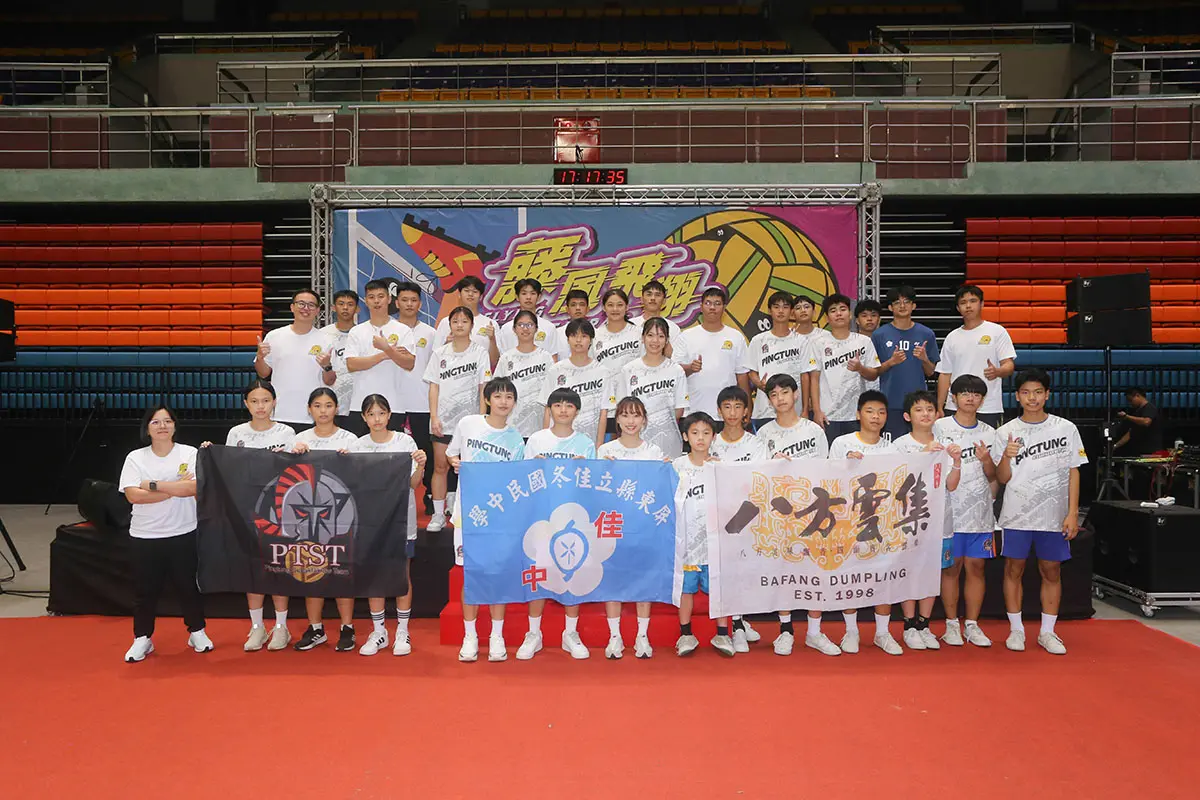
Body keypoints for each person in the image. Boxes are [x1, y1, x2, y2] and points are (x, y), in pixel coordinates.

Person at [996, 368, 1086, 656]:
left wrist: (1072, 513)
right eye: (1025, 392)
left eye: (1037, 392)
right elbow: (1001, 478)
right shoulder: (1005, 432)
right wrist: (1006, 456)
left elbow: (1074, 472)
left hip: (1053, 515)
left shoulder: (1066, 428)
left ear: (1047, 395)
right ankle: (1016, 630)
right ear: (1017, 396)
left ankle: (1047, 632)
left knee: (1051, 570)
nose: (1032, 398)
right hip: (1016, 514)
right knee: (1014, 569)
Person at [755, 374, 840, 658]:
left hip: (812, 511)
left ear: (795, 395)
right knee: (784, 571)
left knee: (815, 570)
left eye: (784, 392)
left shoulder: (813, 430)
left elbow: (826, 471)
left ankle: (815, 632)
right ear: (769, 400)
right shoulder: (763, 434)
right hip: (780, 514)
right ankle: (786, 630)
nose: (780, 399)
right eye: (774, 395)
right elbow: (758, 477)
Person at [119, 405, 210, 663]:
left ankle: (197, 631)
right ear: (147, 428)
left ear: (174, 425)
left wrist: (153, 485)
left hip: (183, 532)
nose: (162, 426)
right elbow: (133, 495)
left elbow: (193, 488)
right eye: (156, 422)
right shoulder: (135, 458)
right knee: (145, 591)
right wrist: (174, 489)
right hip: (144, 535)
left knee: (188, 587)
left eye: (167, 421)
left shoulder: (189, 453)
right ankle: (142, 638)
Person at [447, 377, 527, 663]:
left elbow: (518, 478)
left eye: (509, 397)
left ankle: (496, 636)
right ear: (487, 399)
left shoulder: (516, 438)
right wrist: (456, 463)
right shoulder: (468, 424)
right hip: (468, 514)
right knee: (471, 574)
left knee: (497, 574)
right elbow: (451, 454)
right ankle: (470, 637)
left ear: (514, 403)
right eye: (498, 396)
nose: (503, 402)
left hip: (500, 517)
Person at [518, 388, 597, 661]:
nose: (563, 410)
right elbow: (523, 480)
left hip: (573, 517)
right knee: (538, 573)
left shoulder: (585, 443)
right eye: (558, 405)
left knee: (572, 574)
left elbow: (592, 486)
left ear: (577, 411)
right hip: (541, 518)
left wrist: (585, 469)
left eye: (569, 406)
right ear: (549, 409)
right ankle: (533, 633)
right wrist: (534, 467)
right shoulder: (537, 440)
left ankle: (570, 633)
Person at [217, 379, 295, 653]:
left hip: (278, 511)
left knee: (278, 566)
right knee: (253, 567)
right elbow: (227, 469)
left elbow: (294, 471)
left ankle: (281, 626)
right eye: (254, 401)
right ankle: (257, 626)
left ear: (274, 402)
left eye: (265, 400)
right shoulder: (236, 433)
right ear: (246, 404)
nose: (260, 406)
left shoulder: (287, 432)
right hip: (246, 509)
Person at [347, 394, 426, 657]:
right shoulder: (357, 446)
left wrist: (421, 466)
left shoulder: (405, 442)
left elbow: (413, 484)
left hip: (401, 519)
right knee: (375, 575)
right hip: (370, 522)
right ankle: (379, 631)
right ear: (364, 417)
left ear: (390, 415)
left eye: (381, 413)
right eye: (371, 414)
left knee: (402, 574)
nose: (377, 419)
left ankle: (402, 630)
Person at [828, 390, 903, 656]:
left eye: (881, 412)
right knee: (850, 576)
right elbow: (828, 480)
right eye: (870, 411)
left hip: (882, 523)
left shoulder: (892, 448)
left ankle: (882, 632)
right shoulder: (842, 443)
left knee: (883, 577)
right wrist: (846, 466)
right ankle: (851, 631)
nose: (876, 417)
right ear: (858, 414)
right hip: (849, 522)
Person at [932, 375, 1001, 648]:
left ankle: (972, 624)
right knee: (951, 568)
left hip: (979, 513)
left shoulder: (990, 432)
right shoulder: (939, 427)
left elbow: (995, 476)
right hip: (948, 511)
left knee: (976, 567)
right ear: (954, 397)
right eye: (965, 393)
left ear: (982, 400)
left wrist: (986, 460)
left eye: (976, 394)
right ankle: (951, 625)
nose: (970, 398)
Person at [289, 388, 360, 652]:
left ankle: (347, 627)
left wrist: (350, 462)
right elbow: (287, 475)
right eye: (317, 406)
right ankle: (316, 628)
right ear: (309, 409)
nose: (323, 411)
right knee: (311, 571)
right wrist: (294, 455)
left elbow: (363, 475)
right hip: (307, 520)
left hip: (341, 517)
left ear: (337, 408)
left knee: (341, 572)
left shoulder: (350, 439)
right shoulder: (299, 439)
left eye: (328, 405)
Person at [891, 390, 962, 652]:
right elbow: (897, 482)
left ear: (937, 414)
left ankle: (924, 624)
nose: (925, 414)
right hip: (909, 522)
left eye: (930, 409)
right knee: (910, 571)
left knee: (933, 572)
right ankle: (909, 624)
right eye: (919, 410)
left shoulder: (945, 444)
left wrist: (956, 462)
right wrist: (923, 454)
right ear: (908, 416)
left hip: (940, 521)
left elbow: (951, 485)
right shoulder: (899, 445)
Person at [597, 395, 664, 659]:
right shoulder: (605, 451)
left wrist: (666, 470)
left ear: (644, 420)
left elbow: (660, 489)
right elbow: (596, 490)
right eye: (625, 415)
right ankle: (614, 636)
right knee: (613, 580)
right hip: (613, 524)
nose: (630, 421)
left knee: (643, 580)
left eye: (636, 415)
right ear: (617, 419)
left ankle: (642, 636)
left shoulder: (654, 452)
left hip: (643, 526)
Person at [424, 306, 492, 533]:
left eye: (464, 321)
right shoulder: (439, 353)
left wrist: (482, 419)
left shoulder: (480, 352)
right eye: (455, 321)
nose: (459, 325)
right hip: (443, 421)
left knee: (470, 468)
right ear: (449, 325)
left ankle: (470, 513)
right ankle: (438, 514)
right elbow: (434, 387)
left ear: (472, 325)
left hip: (470, 422)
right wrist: (434, 416)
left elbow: (483, 387)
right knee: (440, 466)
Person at [673, 412, 735, 657]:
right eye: (695, 433)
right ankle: (685, 634)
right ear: (685, 436)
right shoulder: (676, 466)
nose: (700, 438)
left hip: (714, 543)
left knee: (718, 589)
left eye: (706, 433)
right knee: (686, 590)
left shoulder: (720, 467)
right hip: (686, 543)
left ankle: (722, 634)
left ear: (714, 437)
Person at [603, 317, 689, 458]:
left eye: (660, 336)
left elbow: (679, 410)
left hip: (668, 442)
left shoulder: (676, 370)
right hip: (635, 442)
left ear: (667, 340)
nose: (655, 341)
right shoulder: (629, 370)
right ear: (643, 338)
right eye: (650, 335)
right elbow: (622, 408)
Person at [254, 288, 336, 430]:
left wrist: (326, 366)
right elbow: (263, 373)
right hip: (279, 413)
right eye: (301, 304)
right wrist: (260, 357)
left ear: (317, 310)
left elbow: (330, 381)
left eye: (311, 305)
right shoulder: (275, 336)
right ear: (292, 307)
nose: (306, 308)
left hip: (313, 415)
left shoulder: (326, 340)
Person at [937, 285, 1016, 428]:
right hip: (955, 405)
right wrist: (939, 406)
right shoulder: (952, 337)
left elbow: (1009, 365)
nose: (968, 306)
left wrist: (998, 371)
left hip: (988, 406)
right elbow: (945, 374)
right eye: (963, 302)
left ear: (982, 304)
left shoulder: (997, 331)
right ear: (958, 308)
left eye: (973, 301)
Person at [345, 279, 416, 436]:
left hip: (393, 405)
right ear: (366, 301)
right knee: (360, 450)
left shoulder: (403, 330)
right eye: (371, 297)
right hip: (360, 405)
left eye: (381, 296)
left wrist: (386, 348)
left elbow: (409, 363)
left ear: (389, 299)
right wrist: (385, 354)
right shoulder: (357, 331)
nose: (376, 301)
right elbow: (352, 364)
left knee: (393, 450)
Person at [873, 286, 940, 442]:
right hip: (890, 401)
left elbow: (931, 372)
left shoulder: (926, 333)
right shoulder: (879, 335)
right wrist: (891, 362)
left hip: (919, 404)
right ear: (890, 308)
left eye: (906, 302)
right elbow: (874, 372)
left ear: (913, 306)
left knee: (919, 448)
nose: (902, 306)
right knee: (891, 448)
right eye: (897, 302)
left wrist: (924, 359)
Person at [394, 281, 438, 513]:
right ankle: (394, 497)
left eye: (413, 300)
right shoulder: (388, 330)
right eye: (404, 300)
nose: (409, 304)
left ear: (420, 304)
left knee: (425, 452)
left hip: (422, 402)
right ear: (396, 302)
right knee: (396, 452)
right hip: (393, 403)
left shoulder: (430, 333)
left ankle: (430, 496)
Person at [811, 294, 881, 440]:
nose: (838, 313)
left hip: (857, 414)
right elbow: (814, 379)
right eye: (833, 310)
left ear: (849, 314)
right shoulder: (818, 343)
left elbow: (874, 374)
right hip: (828, 415)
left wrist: (860, 368)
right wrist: (817, 411)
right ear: (827, 318)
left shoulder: (864, 341)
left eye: (842, 309)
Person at [676, 287, 751, 417]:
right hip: (694, 411)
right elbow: (675, 372)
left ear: (724, 307)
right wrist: (690, 368)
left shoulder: (736, 337)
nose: (712, 307)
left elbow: (742, 376)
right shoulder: (686, 336)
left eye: (717, 304)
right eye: (708, 303)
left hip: (728, 413)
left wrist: (748, 407)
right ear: (701, 307)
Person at [747, 291, 816, 429]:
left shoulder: (801, 341)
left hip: (794, 409)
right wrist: (759, 384)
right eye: (776, 307)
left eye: (785, 307)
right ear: (769, 310)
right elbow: (751, 371)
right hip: (765, 410)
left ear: (791, 311)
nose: (780, 311)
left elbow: (805, 375)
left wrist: (804, 409)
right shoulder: (758, 340)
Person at [541, 318, 610, 446]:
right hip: (557, 443)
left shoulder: (602, 371)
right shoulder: (556, 370)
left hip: (588, 442)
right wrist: (544, 443)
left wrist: (598, 446)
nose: (578, 340)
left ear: (591, 340)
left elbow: (603, 412)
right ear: (568, 340)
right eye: (574, 336)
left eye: (583, 336)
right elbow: (547, 409)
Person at [494, 310, 556, 440]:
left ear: (536, 329)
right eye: (521, 325)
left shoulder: (545, 357)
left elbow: (552, 392)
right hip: (511, 426)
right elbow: (496, 391)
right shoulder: (506, 358)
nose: (525, 328)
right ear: (514, 329)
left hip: (539, 426)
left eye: (529, 325)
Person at [435, 276, 500, 367]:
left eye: (475, 292)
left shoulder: (491, 324)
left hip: (480, 374)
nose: (470, 294)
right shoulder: (446, 322)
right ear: (459, 294)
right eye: (466, 290)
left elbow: (494, 361)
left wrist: (492, 339)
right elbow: (435, 358)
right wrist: (447, 344)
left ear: (481, 297)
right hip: (452, 373)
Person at [496, 278, 563, 359]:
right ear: (517, 297)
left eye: (533, 293)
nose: (528, 297)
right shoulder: (507, 328)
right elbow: (503, 359)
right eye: (524, 293)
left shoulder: (549, 327)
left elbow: (553, 358)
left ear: (539, 297)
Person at [321, 289, 360, 427]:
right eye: (341, 304)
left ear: (357, 309)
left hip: (358, 403)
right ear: (333, 307)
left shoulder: (363, 334)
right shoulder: (322, 334)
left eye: (350, 304)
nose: (345, 308)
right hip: (330, 402)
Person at [593, 287, 643, 378]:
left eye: (620, 305)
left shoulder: (639, 333)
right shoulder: (595, 336)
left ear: (627, 307)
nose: (615, 309)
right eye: (610, 305)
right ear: (604, 308)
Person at [628, 278, 682, 353]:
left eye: (657, 295)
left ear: (664, 301)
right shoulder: (630, 325)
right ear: (642, 299)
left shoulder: (673, 328)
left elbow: (676, 356)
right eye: (649, 294)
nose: (653, 298)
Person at [1114, 387, 1164, 455]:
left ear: (1137, 395)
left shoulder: (1149, 407)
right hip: (1140, 451)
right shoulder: (1137, 412)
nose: (1130, 403)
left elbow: (1146, 422)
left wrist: (1126, 416)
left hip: (1151, 451)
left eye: (1131, 400)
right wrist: (1115, 446)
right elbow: (1130, 433)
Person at [557, 289, 595, 359]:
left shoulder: (597, 333)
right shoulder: (557, 334)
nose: (578, 308)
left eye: (582, 305)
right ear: (567, 309)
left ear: (588, 309)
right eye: (573, 305)